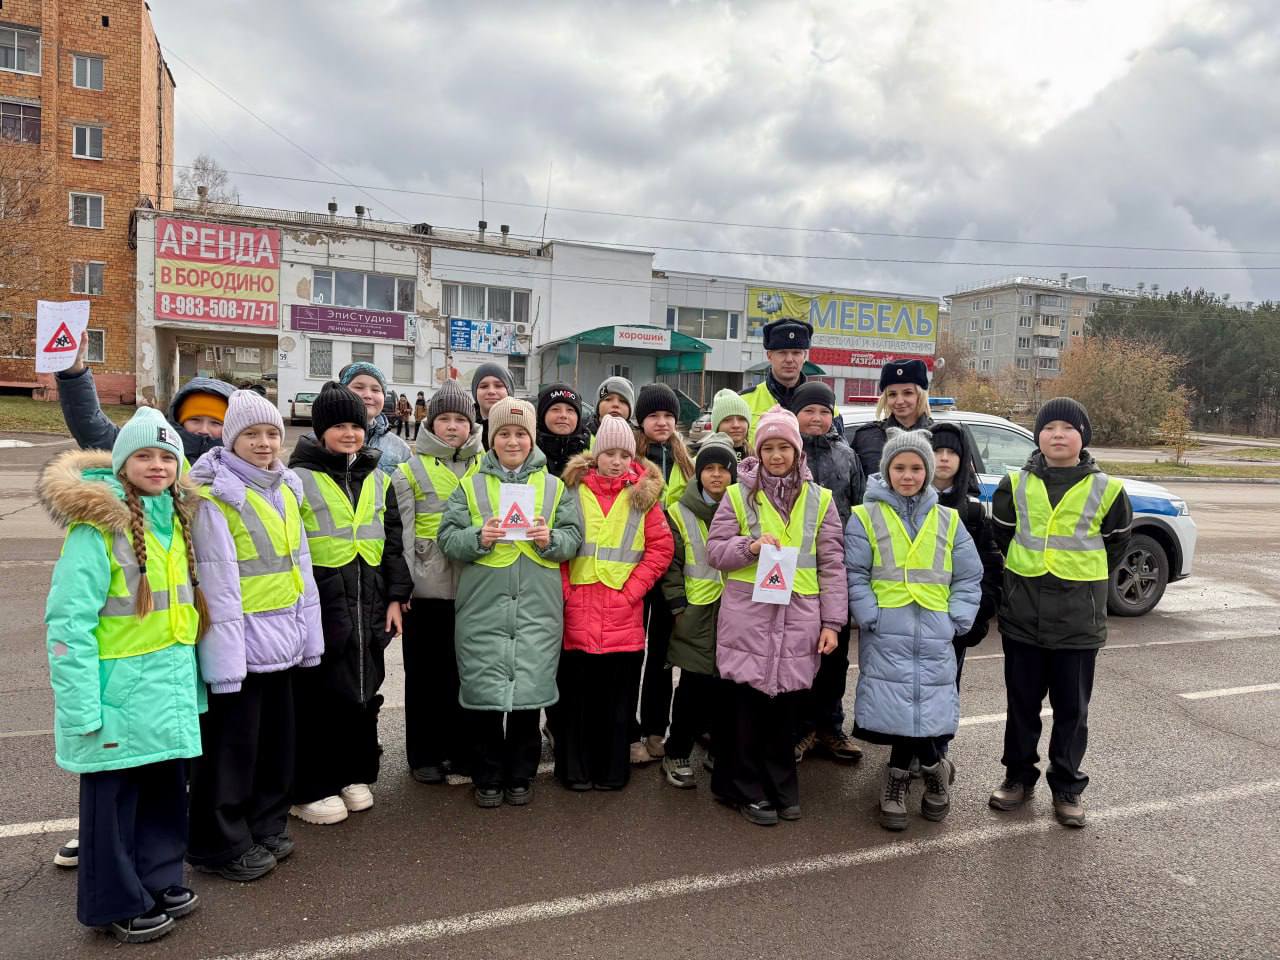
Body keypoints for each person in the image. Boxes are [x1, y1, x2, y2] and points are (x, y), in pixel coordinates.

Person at [38, 409, 209, 943]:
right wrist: (80, 706)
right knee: (112, 806)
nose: (157, 465)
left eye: (166, 456)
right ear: (120, 464)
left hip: (167, 688)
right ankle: (115, 900)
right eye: (143, 456)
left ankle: (158, 877)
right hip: (117, 694)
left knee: (163, 793)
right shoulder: (95, 530)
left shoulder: (175, 520)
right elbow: (68, 623)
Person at [186, 391, 324, 881]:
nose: (264, 443)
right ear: (231, 440)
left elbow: (299, 569)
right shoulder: (215, 495)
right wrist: (226, 658)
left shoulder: (285, 488)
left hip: (282, 640)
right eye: (251, 434)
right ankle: (218, 845)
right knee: (230, 751)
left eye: (271, 433)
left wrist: (308, 637)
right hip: (240, 646)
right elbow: (218, 582)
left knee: (274, 746)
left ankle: (265, 825)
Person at [988, 398, 1132, 828]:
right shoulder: (1014, 483)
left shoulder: (1108, 489)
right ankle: (1018, 778)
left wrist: (1078, 581)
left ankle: (1067, 786)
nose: (1057, 435)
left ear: (1082, 437)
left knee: (1072, 710)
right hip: (1024, 616)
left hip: (1078, 620)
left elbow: (1116, 544)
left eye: (1068, 428)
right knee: (1021, 706)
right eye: (1049, 427)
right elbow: (1003, 534)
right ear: (1037, 436)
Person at [438, 397, 583, 808]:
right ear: (491, 438)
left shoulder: (554, 487)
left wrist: (551, 539)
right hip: (483, 608)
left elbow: (573, 538)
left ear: (532, 438)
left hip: (537, 608)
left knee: (527, 697)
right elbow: (448, 538)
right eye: (504, 433)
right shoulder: (470, 485)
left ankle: (520, 775)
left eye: (521, 433)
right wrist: (477, 537)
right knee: (484, 697)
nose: (513, 441)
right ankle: (487, 776)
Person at [705, 407, 846, 826]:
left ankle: (781, 785)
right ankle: (746, 789)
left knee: (785, 710)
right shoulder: (737, 495)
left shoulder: (820, 500)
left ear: (798, 451)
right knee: (745, 710)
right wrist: (749, 547)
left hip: (799, 618)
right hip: (748, 618)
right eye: (769, 447)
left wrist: (832, 623)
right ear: (758, 451)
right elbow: (716, 552)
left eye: (785, 446)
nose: (777, 455)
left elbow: (832, 565)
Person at [286, 383, 413, 824]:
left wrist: (396, 596)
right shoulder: (297, 479)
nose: (349, 434)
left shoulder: (378, 477)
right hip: (321, 602)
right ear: (321, 430)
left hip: (369, 600)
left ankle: (353, 773)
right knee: (318, 694)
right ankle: (310, 787)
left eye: (355, 426)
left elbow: (393, 542)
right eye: (338, 425)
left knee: (363, 686)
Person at [846, 429, 983, 831]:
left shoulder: (948, 519)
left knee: (925, 703)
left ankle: (913, 774)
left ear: (928, 471)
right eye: (899, 467)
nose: (908, 476)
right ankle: (923, 772)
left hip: (935, 630)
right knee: (899, 707)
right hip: (887, 629)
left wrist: (957, 618)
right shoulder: (865, 516)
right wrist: (868, 614)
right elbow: (855, 572)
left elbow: (969, 575)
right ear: (886, 470)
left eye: (916, 468)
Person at [555, 416, 673, 790]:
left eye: (625, 454)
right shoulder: (572, 492)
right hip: (578, 612)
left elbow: (661, 548)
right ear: (596, 455)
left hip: (623, 615)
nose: (617, 461)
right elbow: (557, 548)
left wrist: (631, 592)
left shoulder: (642, 497)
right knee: (577, 700)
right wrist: (566, 592)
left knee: (618, 702)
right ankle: (575, 770)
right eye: (609, 453)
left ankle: (611, 771)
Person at [391, 380, 484, 784]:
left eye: (460, 419)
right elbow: (402, 535)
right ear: (430, 423)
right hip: (426, 593)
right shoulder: (409, 471)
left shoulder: (487, 465)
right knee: (425, 677)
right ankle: (424, 755)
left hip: (475, 590)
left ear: (471, 424)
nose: (452, 426)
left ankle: (462, 751)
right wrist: (403, 589)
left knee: (467, 674)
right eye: (443, 418)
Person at [787, 381, 866, 765]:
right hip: (796, 572)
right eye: (809, 411)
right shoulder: (786, 453)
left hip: (837, 569)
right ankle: (800, 729)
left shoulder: (846, 456)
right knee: (799, 652)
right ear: (796, 414)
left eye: (824, 411)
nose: (816, 418)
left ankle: (830, 727)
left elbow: (860, 508)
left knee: (834, 657)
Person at [660, 432, 736, 789]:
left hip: (735, 612)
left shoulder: (744, 508)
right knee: (692, 688)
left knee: (728, 689)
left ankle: (719, 749)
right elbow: (671, 565)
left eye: (724, 469)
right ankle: (676, 752)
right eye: (709, 468)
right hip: (696, 613)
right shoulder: (679, 512)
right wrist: (679, 606)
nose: (716, 475)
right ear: (698, 473)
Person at [630, 383, 695, 764]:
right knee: (630, 654)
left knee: (662, 656)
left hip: (674, 574)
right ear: (641, 420)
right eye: (654, 415)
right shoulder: (631, 460)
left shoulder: (687, 462)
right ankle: (630, 730)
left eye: (669, 416)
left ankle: (656, 729)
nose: (662, 422)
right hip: (635, 568)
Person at [930, 423, 1004, 758]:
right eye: (938, 451)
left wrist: (975, 615)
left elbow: (989, 568)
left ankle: (938, 749)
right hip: (912, 616)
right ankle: (908, 750)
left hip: (952, 622)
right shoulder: (903, 503)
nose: (944, 458)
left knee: (947, 685)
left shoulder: (972, 511)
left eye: (952, 453)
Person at [55, 337, 234, 468]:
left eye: (216, 423)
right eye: (195, 420)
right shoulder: (153, 444)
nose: (204, 429)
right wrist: (74, 372)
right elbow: (94, 430)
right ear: (179, 419)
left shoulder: (241, 459)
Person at [850, 358, 935, 479]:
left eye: (907, 393)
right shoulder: (865, 437)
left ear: (920, 396)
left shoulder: (940, 436)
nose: (899, 401)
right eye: (892, 394)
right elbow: (853, 484)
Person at [739, 319, 811, 444]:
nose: (789, 359)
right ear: (769, 356)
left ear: (804, 356)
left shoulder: (823, 405)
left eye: (796, 353)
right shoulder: (744, 402)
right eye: (782, 353)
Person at [333, 362, 411, 472]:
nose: (368, 395)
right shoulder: (321, 443)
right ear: (342, 392)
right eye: (359, 387)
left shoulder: (401, 449)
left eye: (375, 390)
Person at [536, 382, 591, 477]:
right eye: (555, 409)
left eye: (570, 410)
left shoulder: (593, 449)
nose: (563, 415)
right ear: (542, 415)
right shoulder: (528, 449)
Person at [470, 362, 514, 448]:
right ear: (475, 392)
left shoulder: (524, 425)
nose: (491, 391)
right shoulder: (465, 426)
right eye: (484, 386)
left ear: (509, 391)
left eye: (498, 386)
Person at [709, 388, 751, 461]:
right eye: (727, 420)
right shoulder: (702, 460)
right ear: (717, 426)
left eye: (742, 419)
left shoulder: (759, 458)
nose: (736, 425)